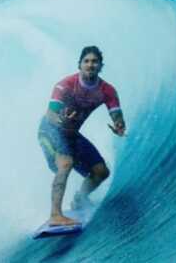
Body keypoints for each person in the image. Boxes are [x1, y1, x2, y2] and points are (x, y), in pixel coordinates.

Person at [38, 46, 127, 226]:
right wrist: (61, 118)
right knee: (65, 163)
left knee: (101, 172)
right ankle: (55, 215)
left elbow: (117, 115)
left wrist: (119, 125)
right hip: (50, 130)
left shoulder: (107, 90)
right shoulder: (65, 85)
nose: (90, 64)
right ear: (79, 65)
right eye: (86, 61)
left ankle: (80, 198)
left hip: (71, 135)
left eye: (94, 61)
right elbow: (50, 115)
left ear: (101, 66)